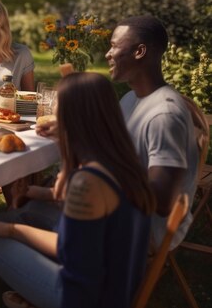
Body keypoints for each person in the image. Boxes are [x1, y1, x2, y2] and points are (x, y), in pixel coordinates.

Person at [0, 72, 155, 308]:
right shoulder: (122, 159)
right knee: (20, 214)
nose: (52, 117)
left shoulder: (88, 182)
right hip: (116, 285)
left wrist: (11, 231)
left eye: (58, 111)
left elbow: (68, 250)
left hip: (79, 296)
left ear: (74, 118)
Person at [34, 15, 199, 250]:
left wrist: (91, 184)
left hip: (142, 230)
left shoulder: (164, 115)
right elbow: (113, 149)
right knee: (30, 208)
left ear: (139, 51)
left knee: (13, 223)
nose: (108, 54)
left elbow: (162, 201)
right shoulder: (131, 98)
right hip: (117, 211)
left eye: (114, 46)